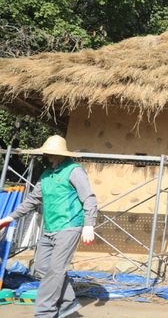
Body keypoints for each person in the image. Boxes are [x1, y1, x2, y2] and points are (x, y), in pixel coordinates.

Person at [0, 135, 97, 318]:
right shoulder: (46, 175)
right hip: (50, 228)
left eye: (51, 153)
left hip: (69, 226)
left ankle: (45, 313)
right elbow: (32, 200)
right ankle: (68, 303)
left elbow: (89, 198)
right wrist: (9, 218)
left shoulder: (74, 171)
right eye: (46, 153)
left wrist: (89, 225)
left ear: (60, 153)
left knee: (55, 270)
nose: (48, 156)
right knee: (41, 267)